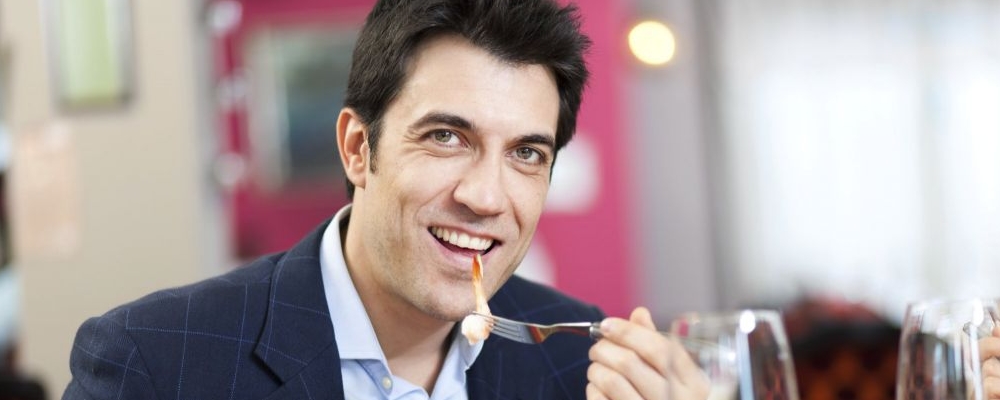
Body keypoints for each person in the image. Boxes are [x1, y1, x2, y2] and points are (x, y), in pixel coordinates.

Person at [63, 0, 706, 399]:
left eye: (526, 154)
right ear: (357, 148)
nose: (486, 197)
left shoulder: (576, 362)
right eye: (446, 137)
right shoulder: (153, 364)